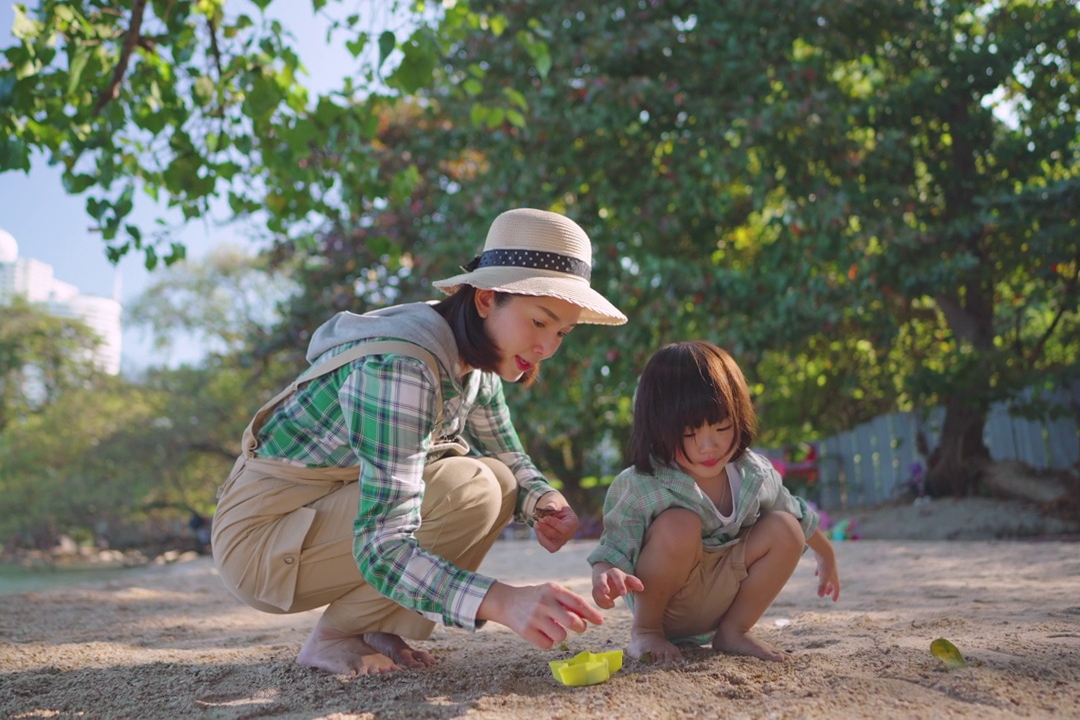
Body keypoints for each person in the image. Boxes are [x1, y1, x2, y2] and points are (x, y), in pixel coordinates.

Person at [211, 208, 628, 676]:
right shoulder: (402, 367)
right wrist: (502, 601)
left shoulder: (475, 356)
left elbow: (507, 454)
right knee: (471, 485)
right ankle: (334, 638)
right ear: (487, 298)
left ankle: (375, 623)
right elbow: (382, 543)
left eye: (562, 333)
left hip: (316, 518)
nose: (548, 348)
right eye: (539, 323)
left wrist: (542, 500)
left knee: (497, 480)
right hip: (262, 541)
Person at [588, 340, 840, 664]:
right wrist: (604, 575)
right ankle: (646, 632)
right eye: (690, 434)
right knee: (680, 524)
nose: (709, 446)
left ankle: (734, 632)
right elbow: (613, 546)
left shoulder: (754, 473)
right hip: (667, 604)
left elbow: (798, 515)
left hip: (727, 596)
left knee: (785, 527)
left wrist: (826, 553)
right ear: (657, 427)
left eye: (722, 426)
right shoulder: (642, 484)